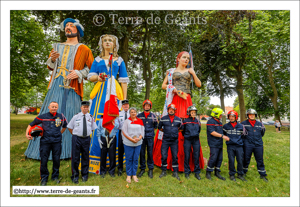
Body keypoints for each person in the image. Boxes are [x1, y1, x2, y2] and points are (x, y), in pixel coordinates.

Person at [25, 18, 94, 160]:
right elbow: (50, 66)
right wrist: (52, 59)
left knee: (71, 115)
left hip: (73, 86)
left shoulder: (84, 49)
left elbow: (92, 69)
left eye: (71, 26)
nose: (68, 27)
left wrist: (79, 73)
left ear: (78, 30)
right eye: (66, 26)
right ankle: (39, 151)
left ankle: (69, 151)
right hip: (56, 83)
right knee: (48, 112)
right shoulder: (56, 46)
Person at [153, 51, 205, 173]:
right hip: (176, 99)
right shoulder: (170, 71)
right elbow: (163, 85)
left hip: (187, 99)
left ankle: (188, 162)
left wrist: (193, 73)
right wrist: (174, 89)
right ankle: (169, 160)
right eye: (184, 57)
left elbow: (199, 84)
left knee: (187, 124)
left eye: (188, 58)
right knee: (172, 123)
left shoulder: (190, 71)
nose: (186, 59)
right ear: (178, 58)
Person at [88, 34, 129, 174]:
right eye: (104, 40)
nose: (107, 42)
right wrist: (98, 77)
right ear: (101, 43)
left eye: (110, 40)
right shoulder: (97, 59)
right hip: (100, 91)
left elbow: (124, 80)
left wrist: (124, 100)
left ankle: (114, 163)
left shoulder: (119, 60)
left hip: (114, 93)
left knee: (114, 121)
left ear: (114, 44)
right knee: (97, 121)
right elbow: (90, 76)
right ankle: (95, 161)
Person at [25, 102, 67, 186]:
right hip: (45, 142)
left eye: (55, 107)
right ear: (49, 107)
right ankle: (44, 178)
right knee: (44, 160)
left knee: (56, 160)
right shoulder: (43, 117)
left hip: (57, 142)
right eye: (52, 106)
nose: (54, 108)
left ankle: (55, 177)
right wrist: (27, 134)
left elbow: (65, 126)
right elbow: (31, 124)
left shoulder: (61, 117)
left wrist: (59, 133)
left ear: (57, 107)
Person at [67, 101, 97, 184]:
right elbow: (69, 127)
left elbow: (93, 128)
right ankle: (75, 176)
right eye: (84, 107)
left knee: (85, 157)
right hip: (76, 138)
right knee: (75, 158)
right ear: (81, 108)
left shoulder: (91, 117)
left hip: (86, 139)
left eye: (87, 107)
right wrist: (75, 134)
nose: (85, 108)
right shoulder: (76, 116)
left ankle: (84, 175)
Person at [241, 109, 268, 182]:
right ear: (248, 115)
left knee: (260, 160)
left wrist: (257, 139)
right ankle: (243, 172)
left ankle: (262, 174)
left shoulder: (260, 124)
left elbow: (262, 133)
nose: (252, 116)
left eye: (253, 114)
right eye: (250, 114)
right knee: (246, 159)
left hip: (258, 144)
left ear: (255, 115)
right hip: (247, 144)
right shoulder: (243, 124)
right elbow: (241, 134)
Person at [158, 104, 182, 181]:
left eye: (172, 109)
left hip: (174, 141)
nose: (171, 110)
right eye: (170, 109)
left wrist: (174, 132)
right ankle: (164, 171)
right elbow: (159, 127)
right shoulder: (163, 118)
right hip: (165, 140)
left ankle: (175, 172)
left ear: (175, 110)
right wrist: (166, 131)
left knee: (175, 156)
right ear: (168, 110)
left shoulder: (178, 119)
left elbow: (181, 128)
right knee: (164, 155)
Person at [205, 108, 230, 181]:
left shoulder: (219, 122)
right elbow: (212, 132)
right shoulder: (210, 122)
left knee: (220, 158)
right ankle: (208, 172)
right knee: (213, 157)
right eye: (220, 115)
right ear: (216, 114)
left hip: (219, 143)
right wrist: (222, 136)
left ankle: (217, 171)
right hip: (213, 143)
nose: (221, 116)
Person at [121, 107, 144, 183]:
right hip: (128, 143)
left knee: (135, 159)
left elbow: (142, 132)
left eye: (134, 112)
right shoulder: (127, 121)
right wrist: (131, 139)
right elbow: (124, 132)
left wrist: (139, 138)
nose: (133, 113)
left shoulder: (140, 121)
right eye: (132, 112)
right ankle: (128, 174)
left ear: (136, 113)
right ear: (129, 113)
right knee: (129, 159)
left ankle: (134, 174)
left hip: (138, 143)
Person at [223, 110, 247, 182]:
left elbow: (244, 135)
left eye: (233, 116)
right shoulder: (226, 126)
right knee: (231, 160)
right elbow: (224, 134)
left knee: (240, 160)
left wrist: (239, 142)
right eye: (230, 116)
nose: (231, 118)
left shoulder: (241, 126)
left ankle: (240, 174)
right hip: (230, 146)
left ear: (236, 117)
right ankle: (232, 174)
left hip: (239, 146)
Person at [137, 100, 158, 178]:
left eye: (148, 106)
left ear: (150, 107)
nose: (147, 107)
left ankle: (150, 169)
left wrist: (150, 132)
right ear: (143, 106)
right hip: (141, 137)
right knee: (142, 153)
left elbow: (155, 126)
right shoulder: (139, 116)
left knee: (150, 153)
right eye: (146, 105)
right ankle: (142, 168)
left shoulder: (153, 116)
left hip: (150, 137)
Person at [181, 105, 202, 180]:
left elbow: (199, 130)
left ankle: (197, 172)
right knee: (187, 155)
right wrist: (187, 135)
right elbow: (182, 131)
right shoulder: (185, 121)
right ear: (189, 113)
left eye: (194, 112)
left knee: (196, 155)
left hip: (196, 139)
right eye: (192, 112)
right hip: (187, 139)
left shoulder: (198, 121)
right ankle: (187, 172)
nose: (193, 113)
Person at [117, 99, 130, 176]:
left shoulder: (132, 113)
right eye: (124, 105)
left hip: (129, 134)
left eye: (127, 105)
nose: (126, 106)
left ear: (128, 106)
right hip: (121, 133)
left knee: (128, 151)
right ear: (122, 106)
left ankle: (128, 168)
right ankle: (120, 168)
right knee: (120, 151)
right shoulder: (119, 114)